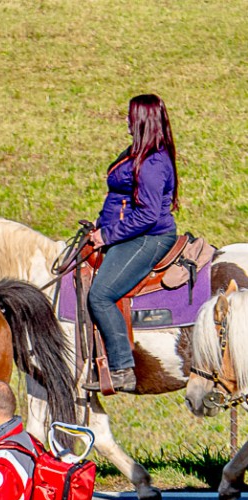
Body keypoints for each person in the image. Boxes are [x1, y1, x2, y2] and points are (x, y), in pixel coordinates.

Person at [84, 94, 179, 393]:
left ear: (142, 121)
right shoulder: (138, 152)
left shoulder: (152, 163)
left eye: (130, 115)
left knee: (100, 295)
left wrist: (107, 235)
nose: (125, 119)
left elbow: (149, 214)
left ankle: (122, 368)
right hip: (129, 233)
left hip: (149, 237)